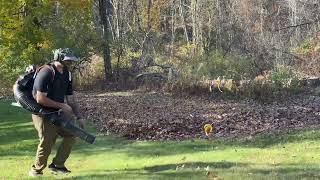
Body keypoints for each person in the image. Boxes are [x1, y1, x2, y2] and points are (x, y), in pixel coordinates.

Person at [28, 48, 85, 176]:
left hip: (58, 112)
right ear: (59, 58)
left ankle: (57, 165)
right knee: (48, 141)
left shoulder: (67, 74)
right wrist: (62, 106)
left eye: (71, 60)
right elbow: (40, 98)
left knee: (71, 134)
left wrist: (79, 116)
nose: (70, 62)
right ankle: (36, 170)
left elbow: (70, 98)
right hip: (42, 113)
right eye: (68, 60)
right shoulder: (46, 72)